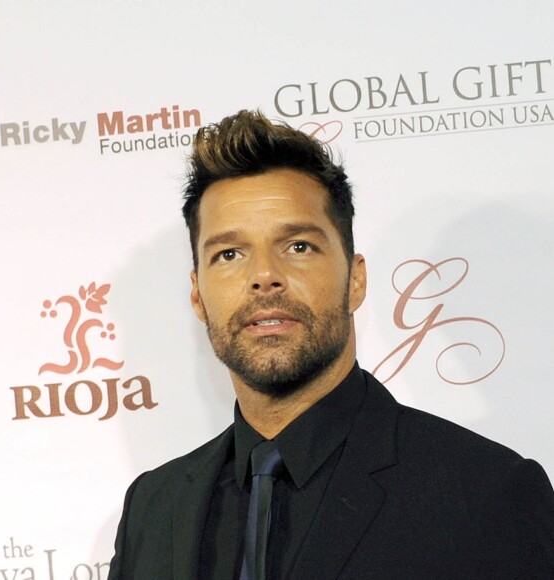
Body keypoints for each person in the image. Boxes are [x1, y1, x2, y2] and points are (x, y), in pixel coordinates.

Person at [108, 110, 554, 579]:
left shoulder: (487, 493)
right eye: (229, 254)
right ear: (198, 295)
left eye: (298, 246)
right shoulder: (153, 508)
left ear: (356, 279)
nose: (263, 277)